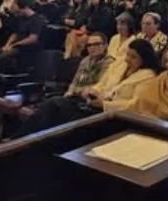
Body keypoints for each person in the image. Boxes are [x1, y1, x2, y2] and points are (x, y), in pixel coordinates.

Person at [11, 39, 160, 138]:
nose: (128, 59)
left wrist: (104, 104)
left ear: (144, 58)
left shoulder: (148, 77)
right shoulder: (120, 65)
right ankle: (18, 140)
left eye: (133, 57)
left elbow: (135, 105)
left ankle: (21, 142)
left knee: (58, 110)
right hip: (91, 103)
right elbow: (102, 84)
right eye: (128, 55)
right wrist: (93, 92)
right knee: (53, 104)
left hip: (111, 114)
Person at [0, 0, 46, 74]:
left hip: (27, 48)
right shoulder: (21, 18)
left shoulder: (37, 19)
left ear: (22, 7)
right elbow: (16, 33)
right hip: (17, 46)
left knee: (2, 57)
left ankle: (2, 79)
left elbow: (32, 39)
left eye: (17, 12)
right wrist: (7, 45)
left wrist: (14, 45)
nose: (16, 15)